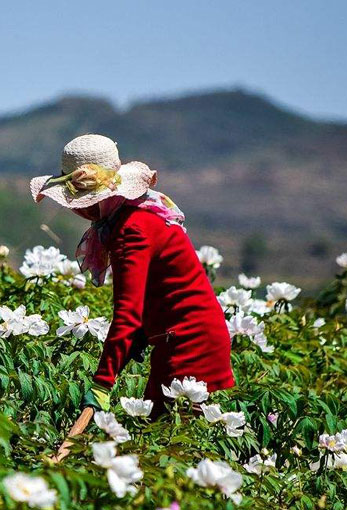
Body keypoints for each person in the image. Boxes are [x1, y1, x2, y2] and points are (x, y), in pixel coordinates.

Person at [30, 134, 234, 418]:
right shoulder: (138, 213)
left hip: (189, 343)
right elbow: (160, 288)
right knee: (167, 435)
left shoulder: (131, 230)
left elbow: (127, 314)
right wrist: (140, 335)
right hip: (184, 334)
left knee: (169, 438)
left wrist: (102, 384)